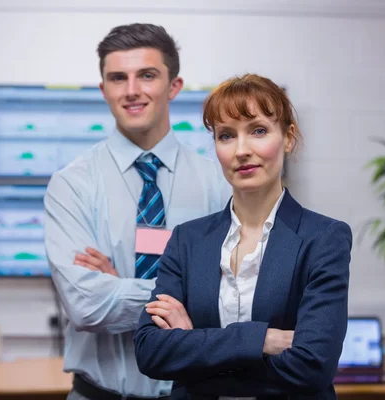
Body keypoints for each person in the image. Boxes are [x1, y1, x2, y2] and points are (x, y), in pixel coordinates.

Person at [133, 74, 352, 400]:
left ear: (288, 138)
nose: (241, 150)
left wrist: (195, 350)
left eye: (258, 131)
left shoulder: (323, 238)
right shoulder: (187, 240)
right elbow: (151, 351)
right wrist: (262, 340)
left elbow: (313, 365)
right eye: (226, 135)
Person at [44, 23, 230, 400]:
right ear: (104, 90)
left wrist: (119, 287)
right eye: (117, 78)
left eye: (147, 75)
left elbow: (240, 298)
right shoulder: (71, 185)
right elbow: (86, 307)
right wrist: (186, 295)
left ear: (173, 86)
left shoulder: (220, 184)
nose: (132, 91)